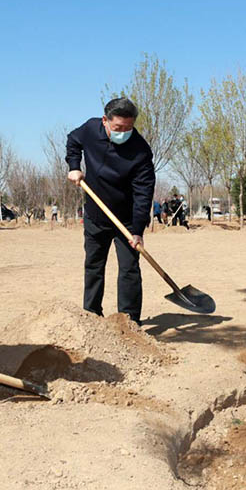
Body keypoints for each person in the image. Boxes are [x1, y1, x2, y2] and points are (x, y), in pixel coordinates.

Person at [66, 97, 155, 326]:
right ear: (105, 120)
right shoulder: (90, 129)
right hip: (95, 214)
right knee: (94, 266)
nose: (124, 132)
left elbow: (144, 192)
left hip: (125, 219)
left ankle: (129, 322)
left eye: (129, 128)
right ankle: (92, 317)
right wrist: (74, 166)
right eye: (118, 128)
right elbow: (73, 141)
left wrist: (137, 230)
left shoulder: (140, 151)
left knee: (129, 269)